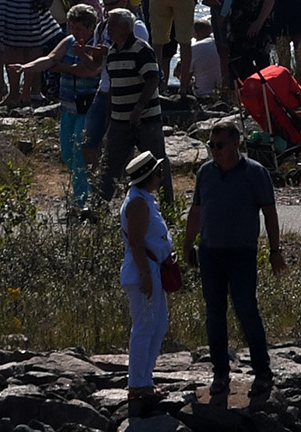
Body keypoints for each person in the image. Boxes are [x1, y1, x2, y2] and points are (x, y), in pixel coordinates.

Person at [183, 120, 284, 401]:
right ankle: (220, 373)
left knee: (246, 311)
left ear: (235, 144)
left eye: (220, 145)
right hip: (210, 252)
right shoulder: (206, 173)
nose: (214, 151)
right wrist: (188, 244)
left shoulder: (255, 173)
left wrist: (275, 250)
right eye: (211, 145)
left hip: (241, 254)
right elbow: (196, 210)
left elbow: (270, 213)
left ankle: (262, 372)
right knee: (214, 315)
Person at [11, 5, 104, 209]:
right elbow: (50, 59)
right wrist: (26, 67)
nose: (75, 33)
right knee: (66, 153)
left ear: (90, 28)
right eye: (72, 28)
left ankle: (80, 200)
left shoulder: (98, 44)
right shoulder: (68, 41)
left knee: (80, 152)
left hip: (87, 107)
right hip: (68, 106)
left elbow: (91, 71)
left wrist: (73, 60)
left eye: (79, 29)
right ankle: (89, 185)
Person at [96, 8, 171, 204]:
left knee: (157, 162)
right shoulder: (112, 52)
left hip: (146, 119)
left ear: (125, 27)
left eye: (112, 25)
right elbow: (113, 87)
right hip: (119, 120)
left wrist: (139, 107)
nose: (108, 29)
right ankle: (99, 206)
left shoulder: (141, 49)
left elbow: (153, 79)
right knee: (109, 164)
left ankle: (167, 204)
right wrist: (109, 118)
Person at [120, 150, 173, 412]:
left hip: (153, 268)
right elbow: (137, 242)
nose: (161, 177)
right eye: (157, 173)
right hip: (144, 270)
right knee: (144, 325)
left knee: (158, 325)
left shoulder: (144, 199)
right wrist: (144, 275)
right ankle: (137, 383)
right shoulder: (138, 203)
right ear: (147, 177)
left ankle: (145, 379)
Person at [188, 19, 221, 97]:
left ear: (196, 33)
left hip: (203, 92)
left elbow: (187, 74)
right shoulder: (221, 43)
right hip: (223, 86)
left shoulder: (193, 48)